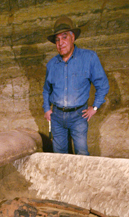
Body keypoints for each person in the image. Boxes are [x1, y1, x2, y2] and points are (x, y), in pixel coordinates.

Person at [43, 16, 109, 155]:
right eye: (57, 40)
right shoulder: (51, 65)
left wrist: (95, 107)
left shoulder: (89, 58)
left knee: (81, 153)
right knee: (60, 155)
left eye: (64, 37)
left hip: (79, 115)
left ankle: (83, 177)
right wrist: (46, 109)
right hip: (57, 116)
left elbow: (102, 84)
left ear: (73, 38)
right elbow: (46, 90)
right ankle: (64, 177)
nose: (61, 43)